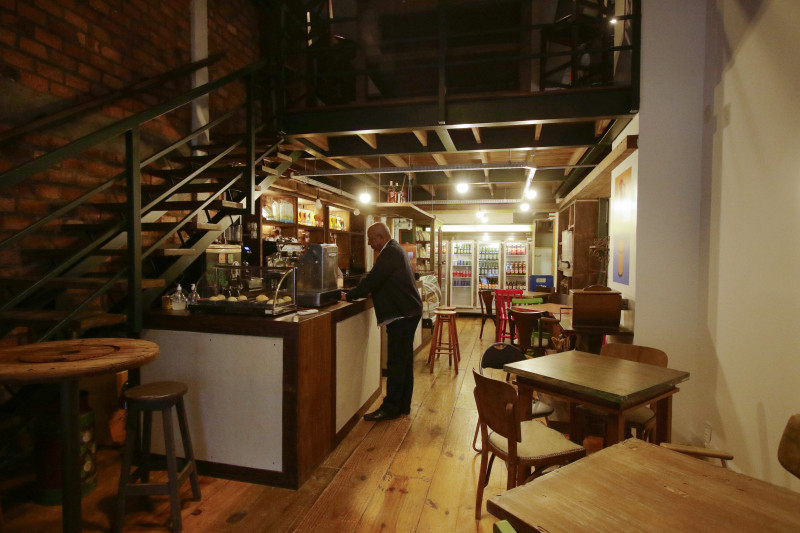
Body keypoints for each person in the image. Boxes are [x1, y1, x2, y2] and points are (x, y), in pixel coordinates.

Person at [343, 222, 423, 421]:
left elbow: (372, 280)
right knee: (404, 363)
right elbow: (379, 280)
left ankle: (390, 409)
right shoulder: (395, 249)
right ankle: (402, 405)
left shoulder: (390, 252)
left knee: (396, 363)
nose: (369, 244)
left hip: (402, 315)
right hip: (408, 312)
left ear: (380, 238)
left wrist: (349, 295)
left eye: (371, 239)